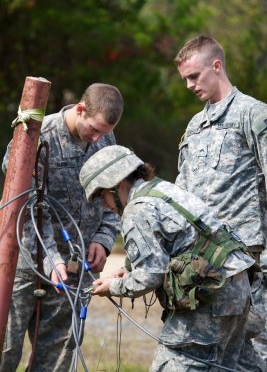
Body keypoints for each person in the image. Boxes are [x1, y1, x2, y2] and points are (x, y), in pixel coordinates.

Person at [79, 144, 255, 372]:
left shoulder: (138, 208)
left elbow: (151, 275)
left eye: (101, 194)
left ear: (116, 185)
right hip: (237, 287)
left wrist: (113, 287)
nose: (103, 203)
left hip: (210, 296)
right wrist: (128, 270)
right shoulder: (163, 190)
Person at [0, 83, 124, 371]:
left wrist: (104, 239)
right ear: (80, 109)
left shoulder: (105, 139)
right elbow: (23, 207)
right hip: (24, 263)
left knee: (57, 356)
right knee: (5, 348)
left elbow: (113, 198)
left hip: (76, 268)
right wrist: (52, 258)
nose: (97, 139)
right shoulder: (36, 136)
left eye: (103, 133)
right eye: (93, 130)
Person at [174, 35, 267, 371]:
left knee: (251, 352)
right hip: (201, 263)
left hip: (246, 262)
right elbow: (181, 193)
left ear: (217, 66)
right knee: (206, 352)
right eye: (185, 78)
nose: (188, 85)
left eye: (194, 76)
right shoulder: (195, 126)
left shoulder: (252, 114)